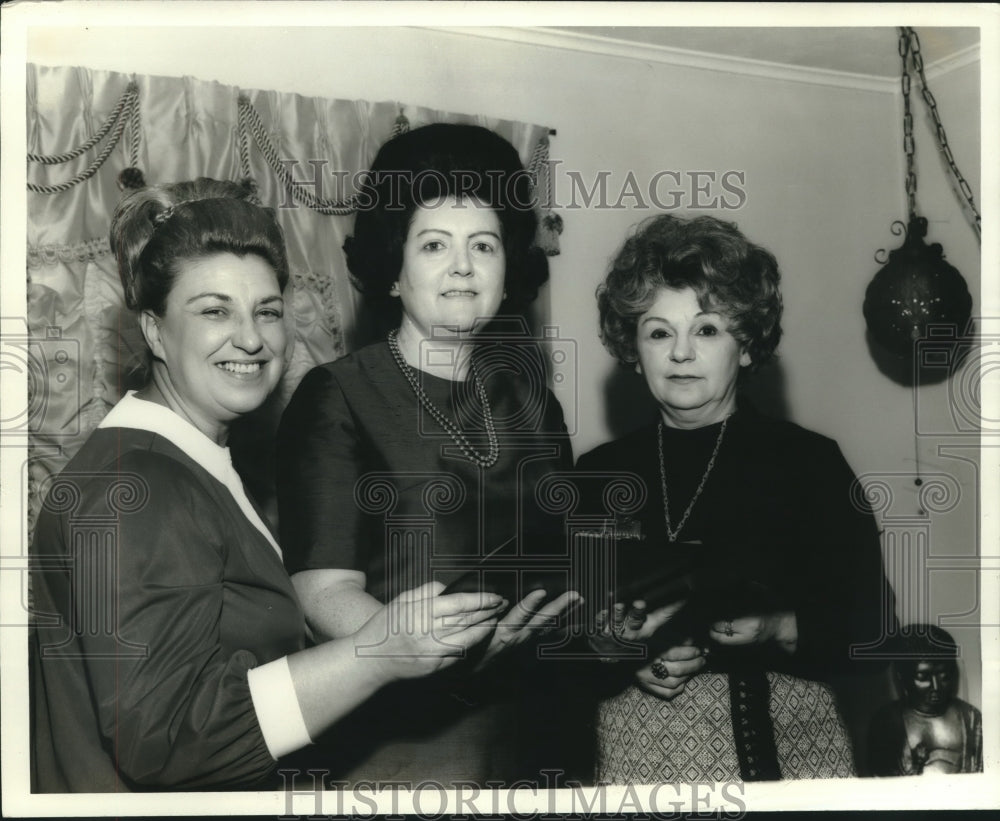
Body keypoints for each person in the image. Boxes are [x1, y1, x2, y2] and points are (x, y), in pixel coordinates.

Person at [29, 177, 504, 792]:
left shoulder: (187, 462)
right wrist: (377, 654)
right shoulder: (136, 485)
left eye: (268, 310)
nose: (251, 338)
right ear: (152, 331)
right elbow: (166, 741)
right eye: (213, 310)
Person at [276, 124, 581, 785]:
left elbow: (568, 561)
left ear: (508, 268)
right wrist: (436, 650)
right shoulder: (338, 397)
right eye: (434, 244)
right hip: (403, 746)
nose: (463, 266)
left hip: (542, 733)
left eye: (484, 244)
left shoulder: (536, 404)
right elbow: (322, 593)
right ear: (394, 269)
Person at [576, 213, 897, 783]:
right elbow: (562, 635)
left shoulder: (808, 462)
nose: (680, 353)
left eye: (706, 330)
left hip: (785, 755)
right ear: (632, 349)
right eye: (657, 332)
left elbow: (875, 627)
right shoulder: (598, 474)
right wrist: (618, 650)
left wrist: (779, 627)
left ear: (746, 347)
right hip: (634, 763)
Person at [868, 625, 983, 775]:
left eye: (944, 675)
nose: (936, 686)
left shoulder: (971, 719)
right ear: (902, 676)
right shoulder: (885, 723)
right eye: (923, 677)